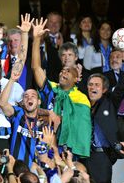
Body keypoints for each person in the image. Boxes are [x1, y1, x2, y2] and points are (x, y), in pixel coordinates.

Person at [31, 18, 92, 158]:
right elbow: (36, 68)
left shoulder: (81, 98)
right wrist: (36, 39)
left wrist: (60, 119)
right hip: (44, 146)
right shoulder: (51, 88)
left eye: (68, 72)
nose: (63, 72)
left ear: (77, 79)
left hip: (69, 151)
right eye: (62, 71)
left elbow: (82, 129)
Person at [84, 67, 124, 183]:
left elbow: (121, 87)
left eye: (97, 85)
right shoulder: (82, 104)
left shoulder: (110, 103)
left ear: (104, 89)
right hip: (84, 155)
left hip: (102, 156)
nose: (93, 87)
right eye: (90, 84)